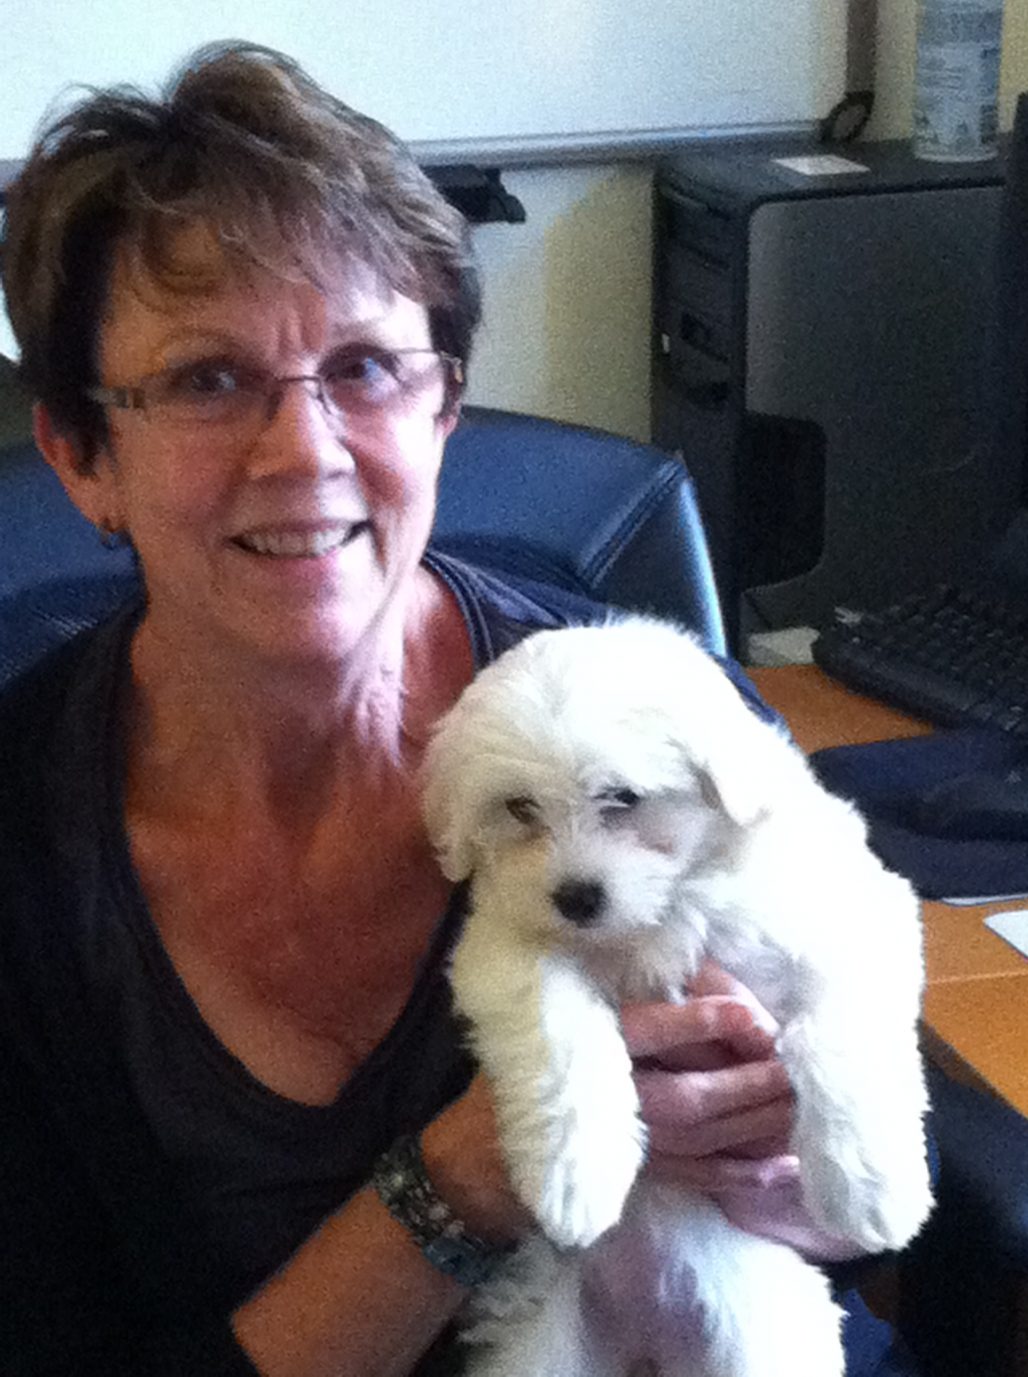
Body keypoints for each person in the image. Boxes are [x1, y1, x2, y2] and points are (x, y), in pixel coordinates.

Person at [0, 42, 920, 1375]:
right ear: (84, 455)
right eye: (207, 379)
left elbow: (867, 1188)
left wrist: (790, 1182)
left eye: (366, 367)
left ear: (444, 408)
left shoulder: (649, 713)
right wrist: (468, 1177)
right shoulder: (23, 847)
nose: (304, 452)